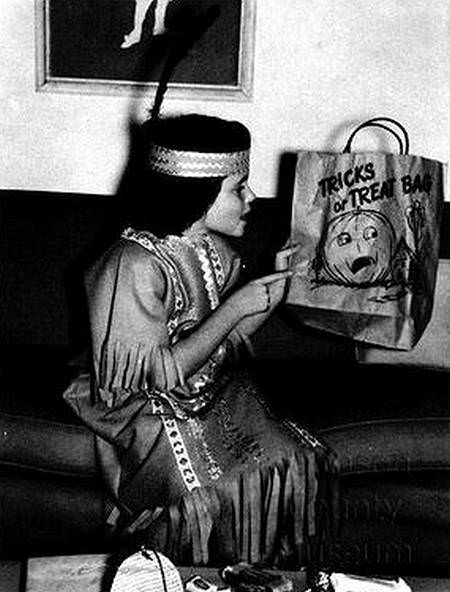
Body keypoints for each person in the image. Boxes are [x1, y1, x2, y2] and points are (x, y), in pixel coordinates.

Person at [63, 114, 338, 567]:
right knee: (205, 490)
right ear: (197, 194)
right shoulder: (132, 265)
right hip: (140, 401)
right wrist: (235, 306)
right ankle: (177, 574)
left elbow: (226, 342)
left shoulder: (212, 249)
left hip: (203, 390)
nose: (251, 198)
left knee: (293, 458)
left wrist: (276, 289)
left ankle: (259, 573)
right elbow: (157, 375)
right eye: (238, 187)